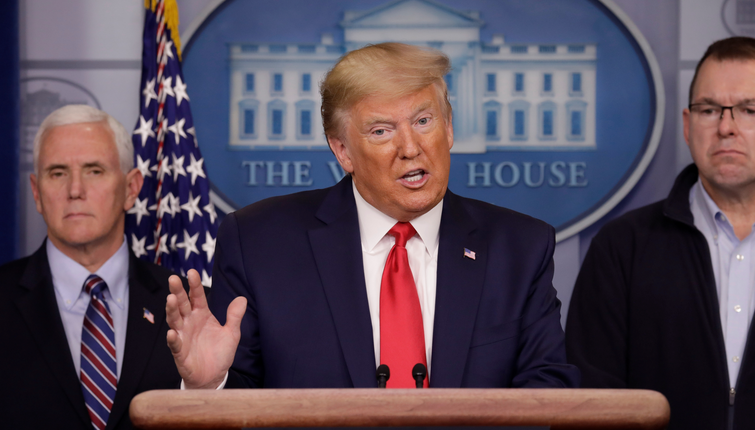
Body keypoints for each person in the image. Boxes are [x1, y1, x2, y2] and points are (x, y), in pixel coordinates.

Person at [166, 42, 579, 390]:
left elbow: (547, 391)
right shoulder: (260, 242)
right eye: (381, 131)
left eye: (423, 121)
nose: (411, 147)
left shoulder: (519, 247)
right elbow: (243, 404)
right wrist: (208, 386)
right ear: (342, 151)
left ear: (449, 128)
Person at [566, 36, 755, 429]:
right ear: (688, 126)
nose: (726, 127)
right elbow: (591, 407)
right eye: (709, 110)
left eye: (750, 110)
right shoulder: (622, 248)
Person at [0, 105, 185, 430]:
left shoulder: (189, 309)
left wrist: (210, 385)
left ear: (131, 189)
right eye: (57, 173)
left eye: (94, 170)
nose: (75, 190)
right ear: (36, 192)